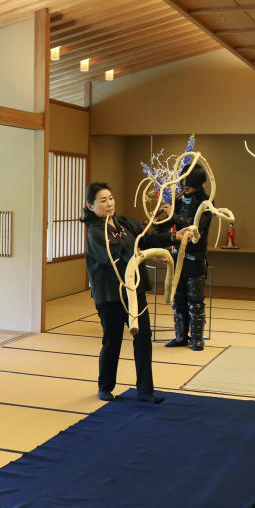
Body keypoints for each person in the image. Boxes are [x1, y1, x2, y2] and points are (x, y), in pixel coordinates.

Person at [84, 182, 186, 403]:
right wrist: (147, 254)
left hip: (135, 290)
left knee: (143, 339)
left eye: (110, 198)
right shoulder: (95, 233)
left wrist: (173, 238)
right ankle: (105, 386)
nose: (109, 203)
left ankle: (145, 391)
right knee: (113, 341)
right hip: (110, 295)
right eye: (103, 200)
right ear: (90, 207)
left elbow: (146, 238)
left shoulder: (124, 223)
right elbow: (118, 255)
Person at [165, 164, 213, 350]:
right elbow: (169, 224)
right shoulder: (178, 198)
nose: (184, 184)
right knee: (178, 299)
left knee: (195, 301)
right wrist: (159, 220)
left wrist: (173, 215)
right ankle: (180, 337)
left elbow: (195, 227)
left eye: (187, 180)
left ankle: (197, 339)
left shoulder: (206, 202)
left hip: (195, 258)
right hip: (177, 257)